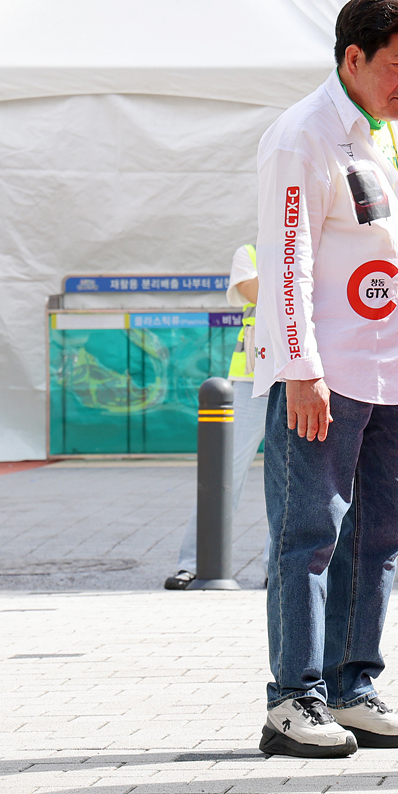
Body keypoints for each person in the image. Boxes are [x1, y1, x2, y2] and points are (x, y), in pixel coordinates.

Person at [251, 0, 398, 759]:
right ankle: (294, 697)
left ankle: (353, 685)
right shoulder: (303, 137)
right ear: (352, 58)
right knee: (309, 535)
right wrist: (300, 368)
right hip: (326, 375)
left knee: (380, 535)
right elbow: (286, 262)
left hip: (397, 377)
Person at [166, 243, 266, 590]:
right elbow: (259, 292)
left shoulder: (315, 247)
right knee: (223, 476)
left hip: (302, 380)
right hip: (250, 381)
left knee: (294, 483)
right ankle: (195, 564)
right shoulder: (250, 253)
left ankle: (281, 570)